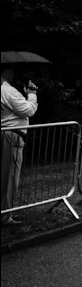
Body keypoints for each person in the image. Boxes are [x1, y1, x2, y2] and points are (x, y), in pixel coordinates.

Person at [1, 66, 38, 225]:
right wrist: (32, 95)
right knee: (9, 176)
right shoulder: (7, 91)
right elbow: (27, 110)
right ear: (6, 72)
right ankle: (5, 216)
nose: (14, 74)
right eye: (12, 71)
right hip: (12, 136)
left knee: (4, 175)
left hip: (6, 135)